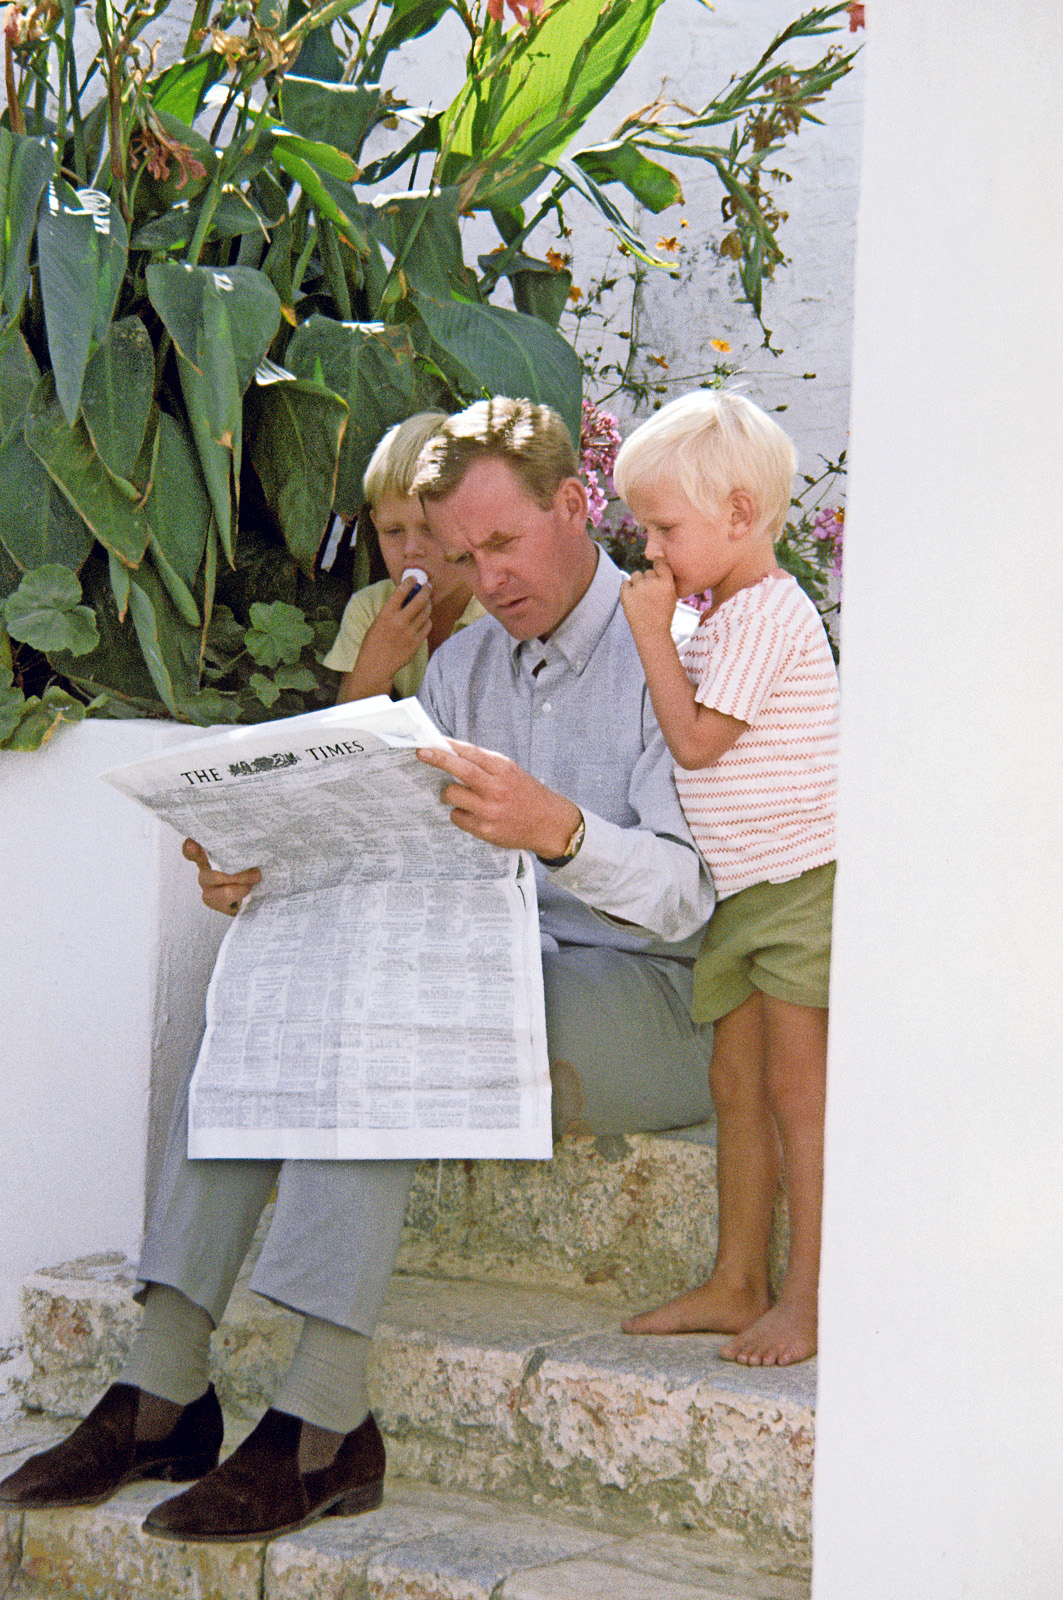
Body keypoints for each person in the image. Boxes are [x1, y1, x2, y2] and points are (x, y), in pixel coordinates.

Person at [0, 397, 717, 1542]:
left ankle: (325, 1419)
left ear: (576, 507)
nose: (481, 575)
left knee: (392, 1011)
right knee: (264, 976)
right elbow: (396, 843)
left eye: (502, 544)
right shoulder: (471, 657)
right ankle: (159, 1385)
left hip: (657, 996)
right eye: (459, 553)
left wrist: (560, 828)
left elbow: (693, 896)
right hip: (499, 959)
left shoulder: (673, 648)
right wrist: (263, 866)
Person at [614, 390, 838, 1367]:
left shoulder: (765, 615)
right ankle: (736, 1278)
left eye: (665, 528)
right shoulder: (718, 619)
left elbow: (698, 742)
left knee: (798, 1090)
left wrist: (653, 637)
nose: (652, 550)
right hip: (744, 893)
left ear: (739, 518)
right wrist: (670, 634)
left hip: (800, 885)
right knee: (733, 1080)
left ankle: (813, 1297)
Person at [322, 411, 485, 701]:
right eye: (394, 531)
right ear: (375, 525)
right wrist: (375, 666)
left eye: (431, 530)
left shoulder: (501, 614)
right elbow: (351, 735)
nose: (411, 549)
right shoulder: (370, 610)